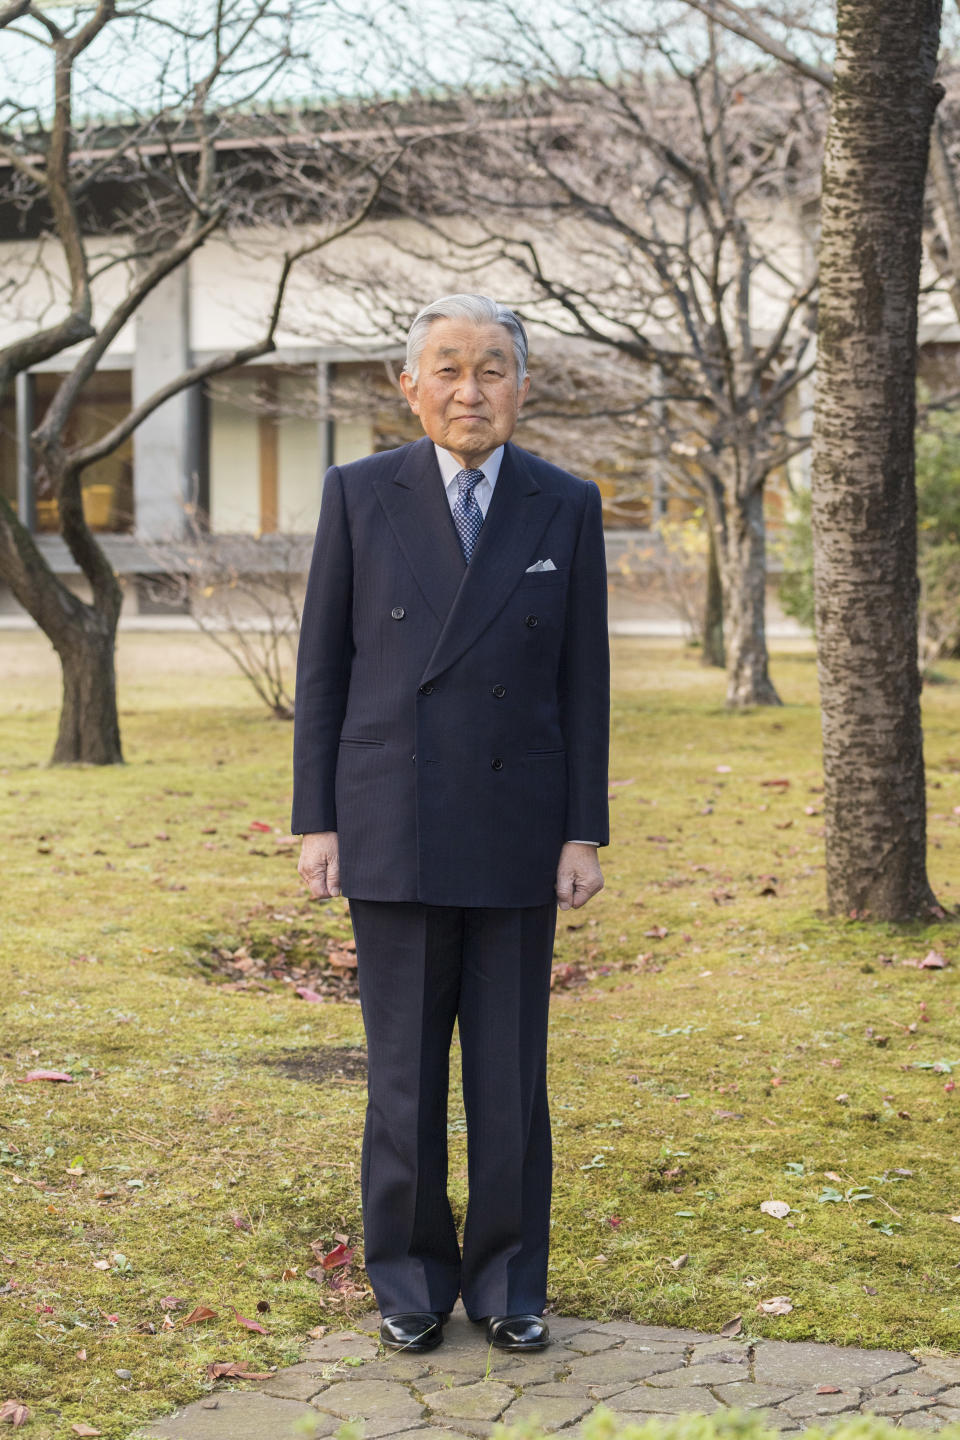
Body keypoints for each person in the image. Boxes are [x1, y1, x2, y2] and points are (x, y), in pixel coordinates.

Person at [292, 293, 609, 1354]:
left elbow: (584, 682)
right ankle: (411, 1281)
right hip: (391, 817)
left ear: (523, 384)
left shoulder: (565, 502)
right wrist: (316, 820)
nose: (470, 391)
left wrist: (583, 830)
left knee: (511, 1074)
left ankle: (512, 1282)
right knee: (403, 1073)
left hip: (521, 823)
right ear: (408, 384)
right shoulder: (357, 493)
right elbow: (323, 670)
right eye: (449, 369)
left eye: (492, 370)